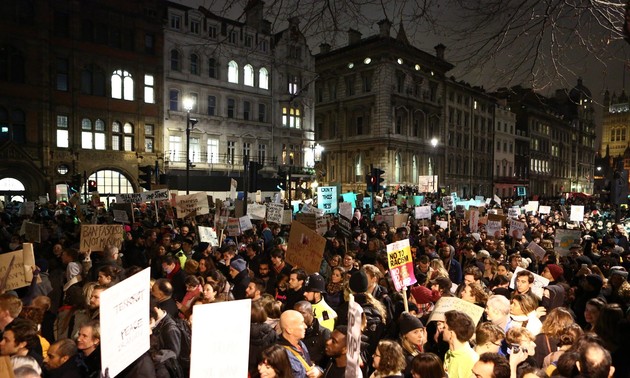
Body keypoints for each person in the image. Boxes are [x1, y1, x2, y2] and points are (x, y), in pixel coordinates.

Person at [276, 309, 323, 378]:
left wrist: (318, 371)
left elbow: (308, 366)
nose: (305, 326)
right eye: (301, 323)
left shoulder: (301, 344)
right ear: (289, 330)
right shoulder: (280, 354)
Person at [294, 301, 330, 368]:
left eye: (302, 313)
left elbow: (328, 359)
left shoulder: (324, 333)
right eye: (296, 313)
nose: (298, 316)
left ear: (311, 313)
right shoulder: (291, 330)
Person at [442, 310, 478, 378]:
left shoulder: (471, 360)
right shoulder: (448, 353)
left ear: (451, 333)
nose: (442, 330)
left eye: (444, 327)